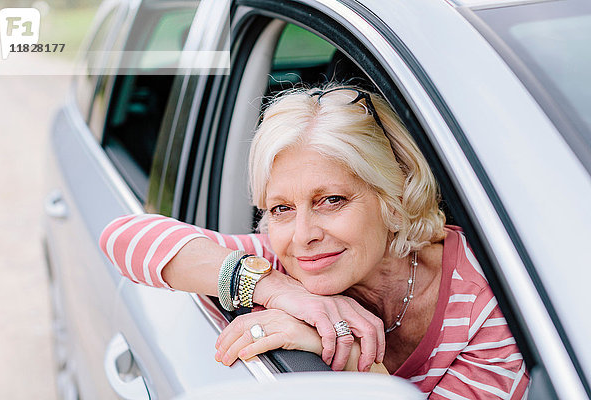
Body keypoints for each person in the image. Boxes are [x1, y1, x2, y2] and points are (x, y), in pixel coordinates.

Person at [99, 84, 529, 398]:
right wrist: (275, 289)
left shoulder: (488, 300)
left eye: (331, 200)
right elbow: (122, 238)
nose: (303, 236)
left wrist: (347, 355)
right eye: (281, 209)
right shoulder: (283, 263)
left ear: (393, 198)